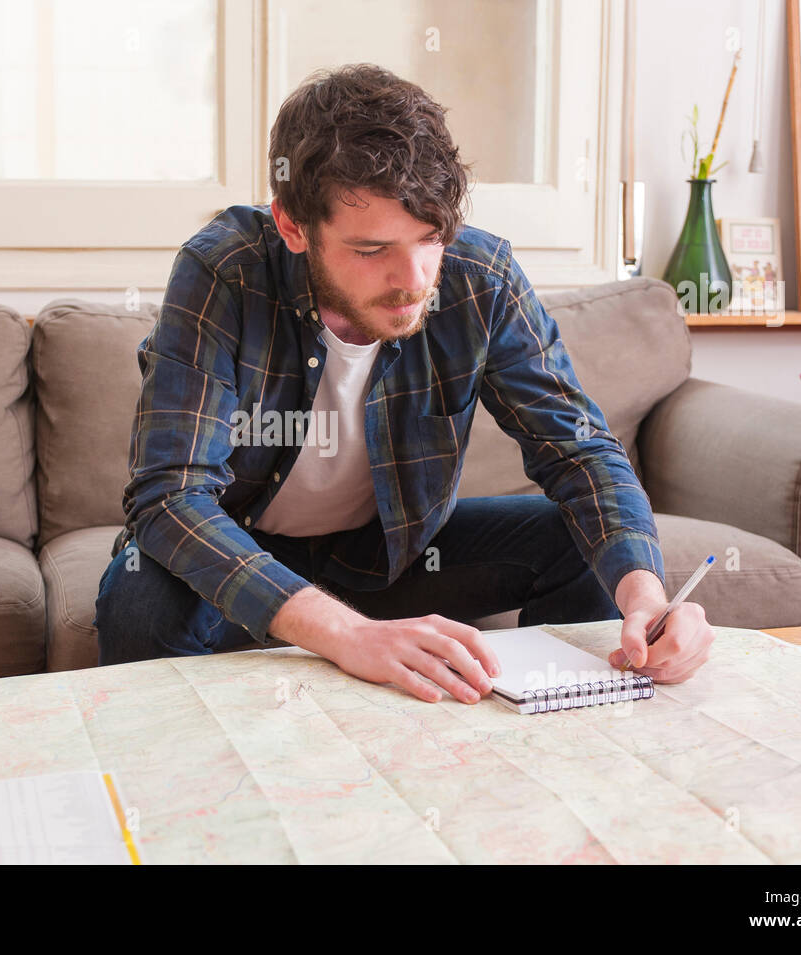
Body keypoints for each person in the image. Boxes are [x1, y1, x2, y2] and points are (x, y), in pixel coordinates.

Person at [94, 63, 713, 703]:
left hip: (392, 555)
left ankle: (553, 745)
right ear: (293, 226)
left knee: (583, 547)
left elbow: (578, 451)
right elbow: (170, 495)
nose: (414, 278)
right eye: (371, 250)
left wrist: (647, 596)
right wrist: (345, 635)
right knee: (139, 600)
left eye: (429, 238)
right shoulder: (225, 270)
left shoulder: (482, 278)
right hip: (243, 547)